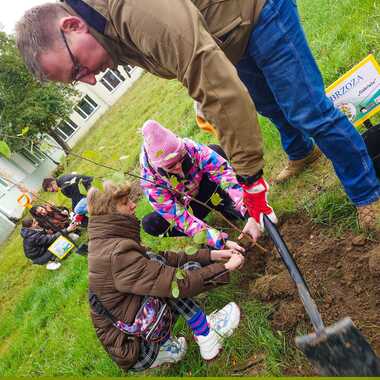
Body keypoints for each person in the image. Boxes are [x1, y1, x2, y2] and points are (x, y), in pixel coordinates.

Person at [15, 0, 380, 231]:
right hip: (225, 34)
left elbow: (213, 82)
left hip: (258, 11)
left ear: (72, 26)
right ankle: (301, 151)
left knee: (309, 111)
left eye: (78, 68)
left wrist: (250, 179)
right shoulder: (101, 27)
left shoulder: (133, 9)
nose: (91, 78)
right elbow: (185, 62)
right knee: (269, 105)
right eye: (78, 80)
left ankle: (368, 195)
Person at [86, 181, 245, 371]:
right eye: (125, 203)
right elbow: (177, 282)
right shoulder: (117, 253)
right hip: (135, 348)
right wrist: (225, 267)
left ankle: (168, 348)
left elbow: (163, 258)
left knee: (160, 267)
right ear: (109, 212)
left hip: (131, 335)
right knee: (173, 281)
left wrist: (212, 255)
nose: (133, 205)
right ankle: (208, 334)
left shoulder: (107, 242)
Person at [140, 119, 264, 249]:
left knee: (215, 150)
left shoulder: (190, 148)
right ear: (157, 166)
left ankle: (225, 203)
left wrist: (250, 213)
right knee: (150, 223)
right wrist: (219, 241)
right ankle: (203, 232)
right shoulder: (151, 183)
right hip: (189, 208)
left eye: (182, 159)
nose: (179, 167)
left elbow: (226, 176)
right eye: (171, 166)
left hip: (208, 190)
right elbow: (179, 218)